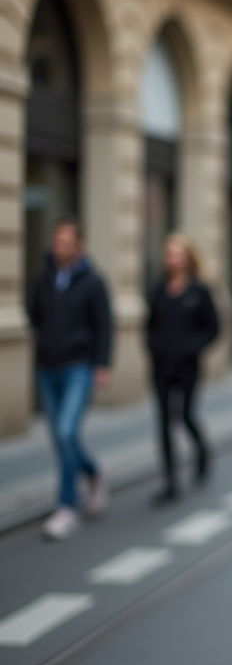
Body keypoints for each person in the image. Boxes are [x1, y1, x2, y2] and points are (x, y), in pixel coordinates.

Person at [27, 216, 112, 541]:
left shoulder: (93, 282)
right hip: (48, 368)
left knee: (65, 432)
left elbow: (103, 324)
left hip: (79, 366)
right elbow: (35, 316)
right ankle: (94, 470)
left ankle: (66, 507)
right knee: (62, 438)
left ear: (79, 246)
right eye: (55, 241)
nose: (58, 247)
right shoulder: (43, 279)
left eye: (65, 242)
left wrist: (102, 365)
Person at [144, 233, 220, 504]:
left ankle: (202, 451)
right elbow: (150, 325)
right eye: (169, 254)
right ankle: (170, 482)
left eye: (178, 254)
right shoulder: (157, 288)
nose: (173, 259)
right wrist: (154, 347)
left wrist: (191, 348)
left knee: (186, 416)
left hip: (188, 366)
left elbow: (213, 329)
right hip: (161, 367)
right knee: (164, 423)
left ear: (188, 258)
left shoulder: (199, 291)